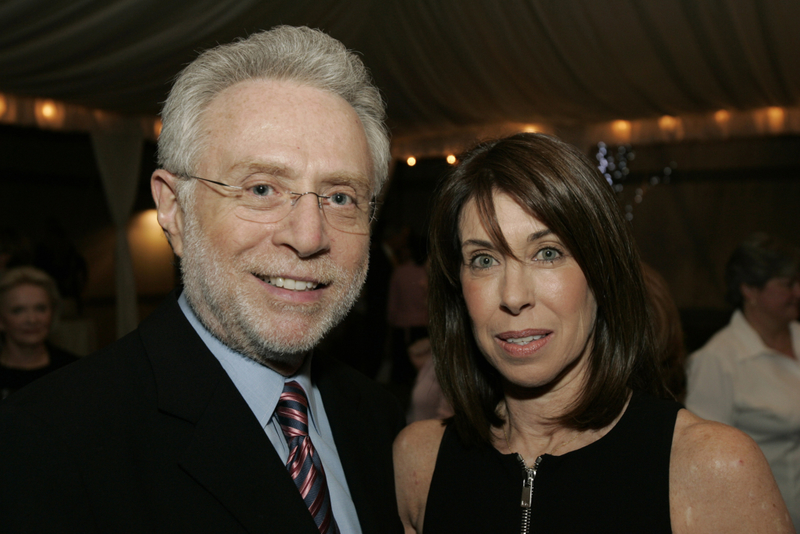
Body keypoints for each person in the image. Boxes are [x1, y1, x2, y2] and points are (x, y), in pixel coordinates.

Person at [0, 26, 404, 534]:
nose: (308, 236)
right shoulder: (55, 441)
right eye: (261, 188)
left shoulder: (376, 418)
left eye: (341, 196)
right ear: (173, 208)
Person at [393, 133, 792, 533]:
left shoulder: (708, 467)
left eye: (547, 253)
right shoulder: (420, 463)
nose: (513, 295)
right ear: (457, 288)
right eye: (484, 259)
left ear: (602, 276)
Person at [686, 233, 800, 531]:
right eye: (787, 285)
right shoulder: (718, 360)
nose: (798, 292)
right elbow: (702, 462)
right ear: (750, 290)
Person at [0, 266, 78, 400]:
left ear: (53, 313)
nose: (32, 319)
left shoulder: (74, 370)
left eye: (40, 308)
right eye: (18, 310)